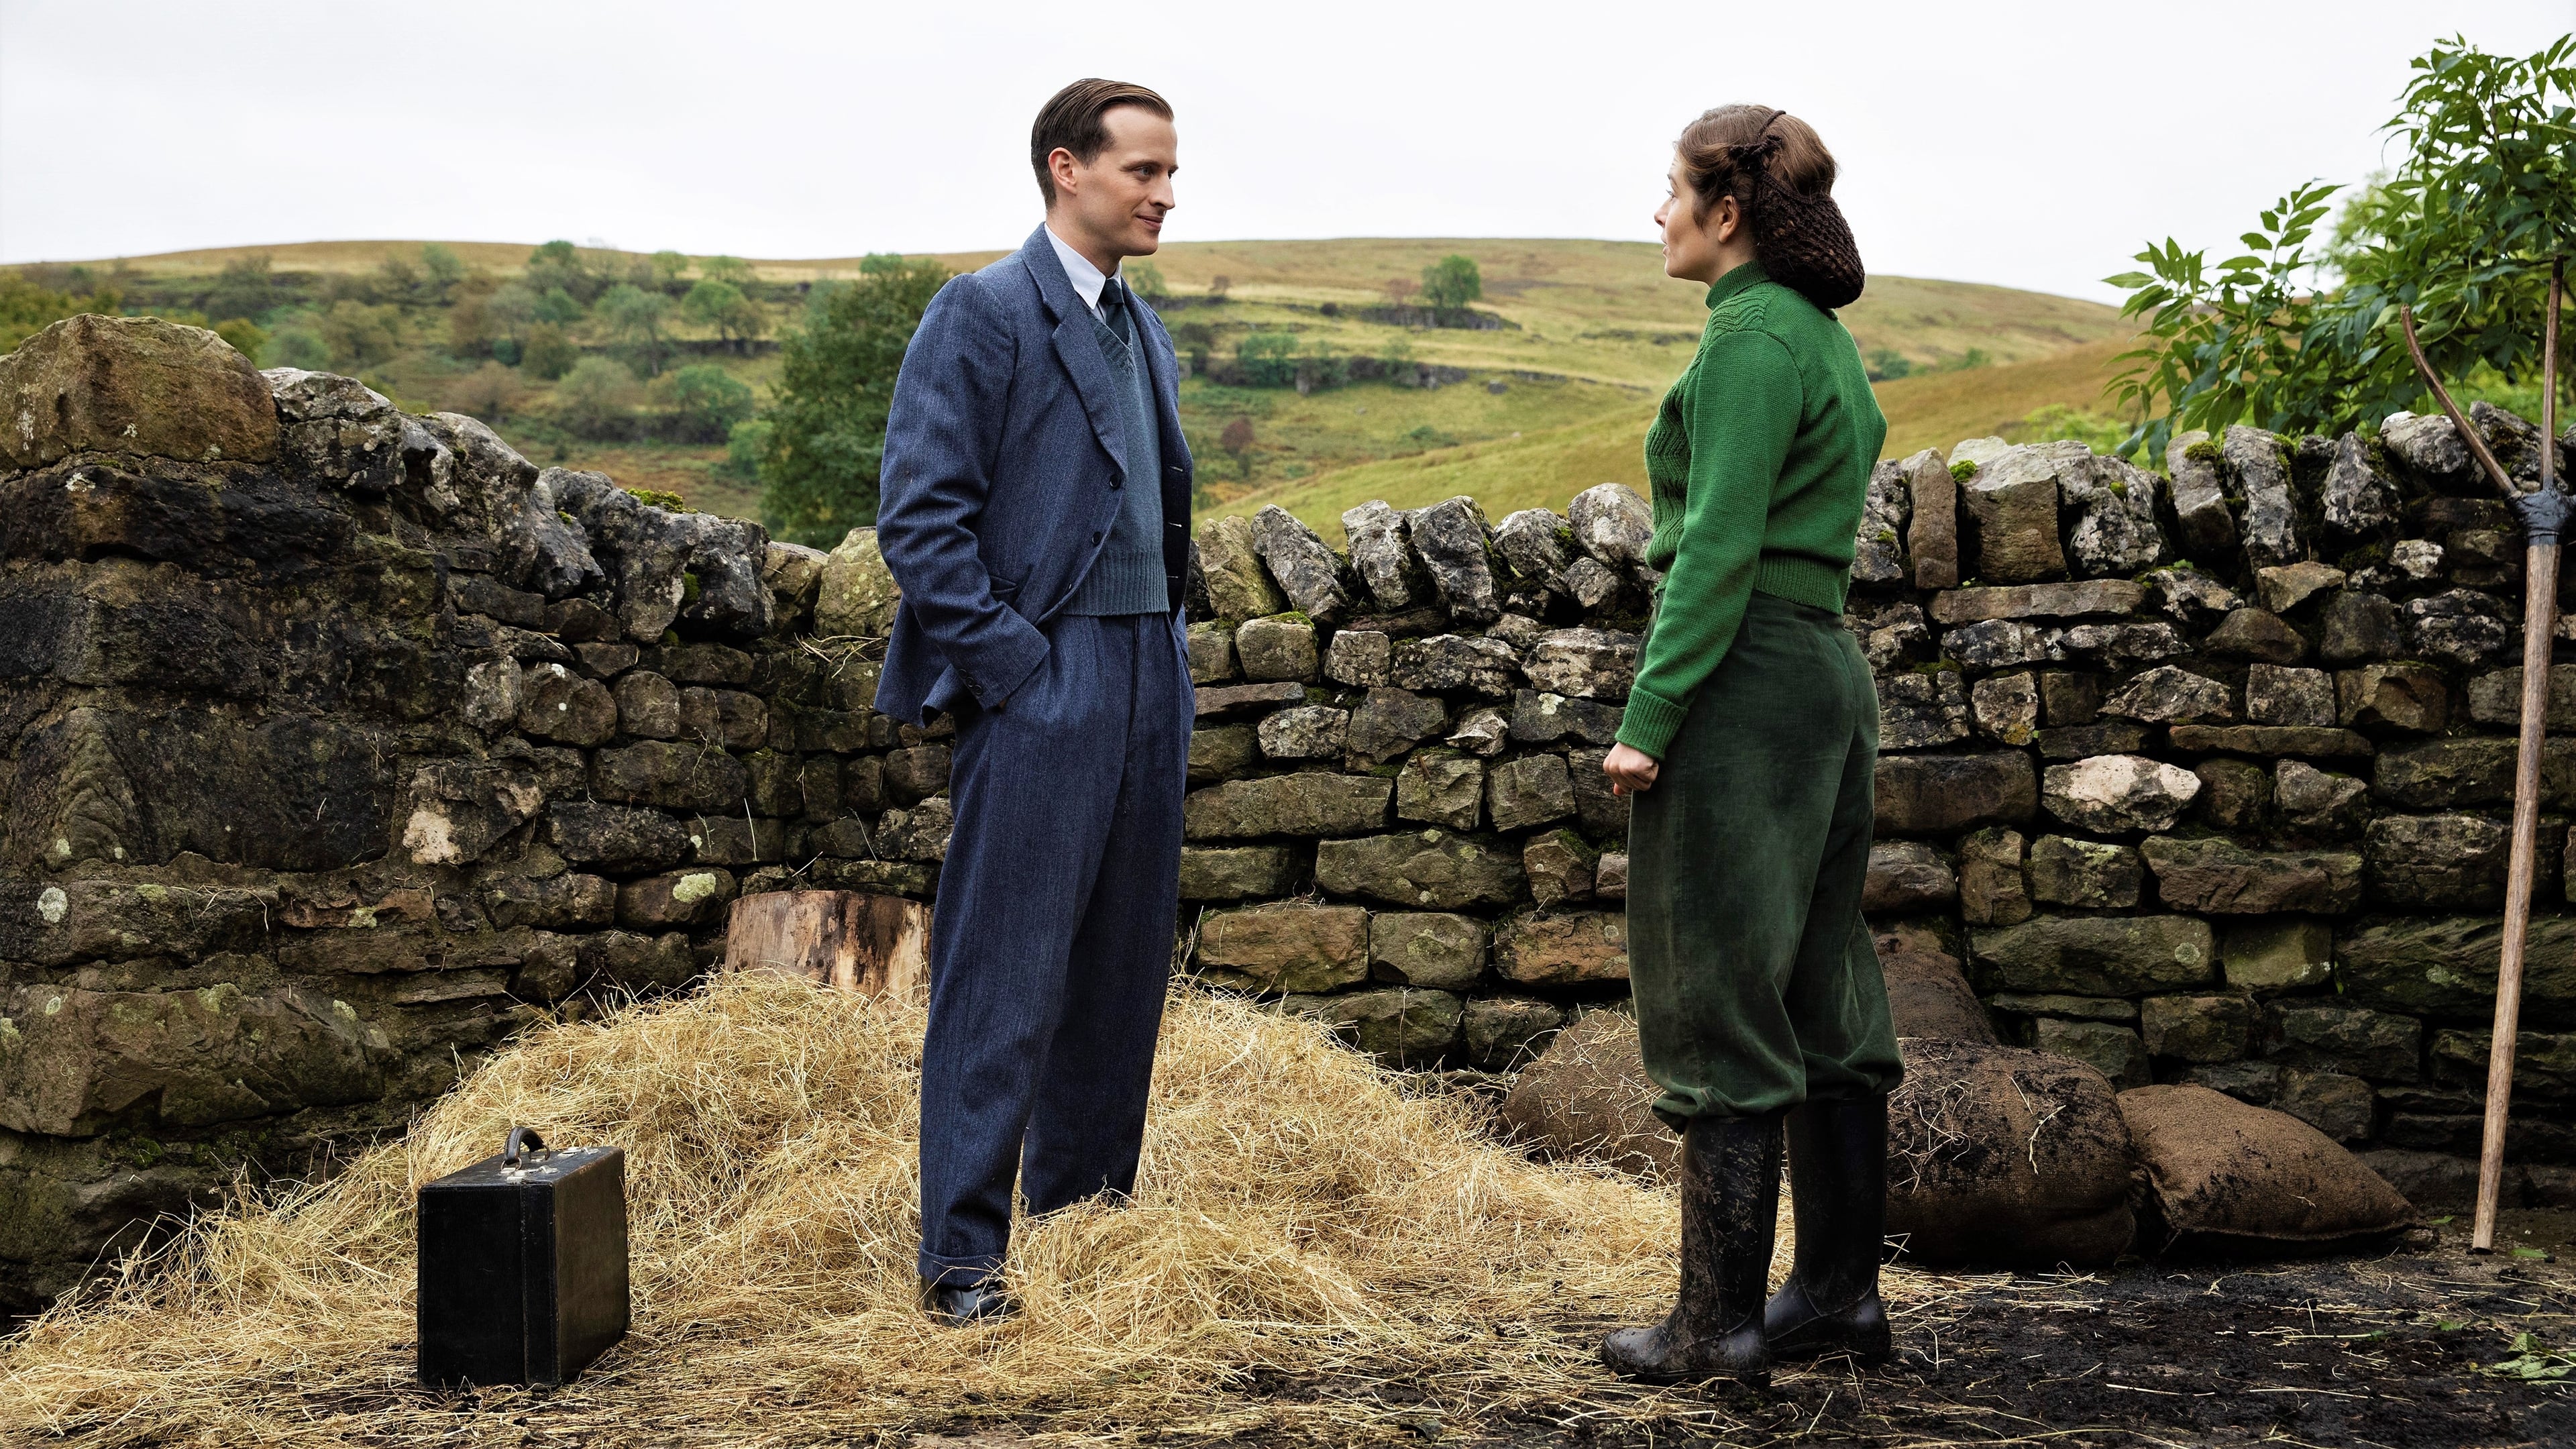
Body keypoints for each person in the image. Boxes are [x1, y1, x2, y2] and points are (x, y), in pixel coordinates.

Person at [872, 77, 1195, 1327]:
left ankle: (1087, 1232)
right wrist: (1018, 669)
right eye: (1144, 172)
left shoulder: (1142, 328)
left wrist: (1166, 653)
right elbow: (920, 519)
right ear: (1068, 168)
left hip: (1150, 675)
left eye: (1170, 173)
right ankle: (963, 1262)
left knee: (1122, 972)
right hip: (1046, 677)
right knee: (1002, 974)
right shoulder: (984, 311)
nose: (1166, 195)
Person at [1596, 105, 1903, 1385]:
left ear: (1725, 213)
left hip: (1747, 679)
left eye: (1671, 191)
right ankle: (1836, 1297)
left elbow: (1716, 548)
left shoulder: (1751, 339)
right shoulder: (1820, 337)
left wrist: (1649, 719)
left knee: (1717, 979)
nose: (1658, 213)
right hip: (1822, 673)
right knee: (1822, 984)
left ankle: (1714, 1328)